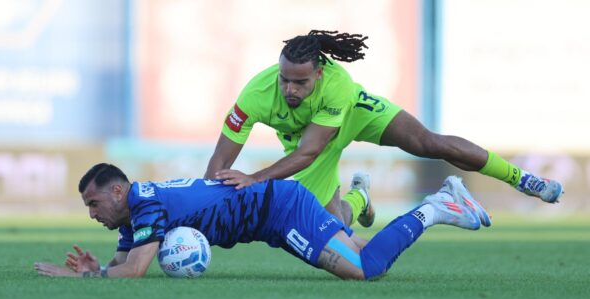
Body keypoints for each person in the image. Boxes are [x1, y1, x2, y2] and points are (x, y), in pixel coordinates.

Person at [204, 29, 564, 229]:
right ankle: (359, 198)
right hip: (307, 141)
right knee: (335, 228)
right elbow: (220, 160)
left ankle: (521, 178)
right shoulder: (255, 93)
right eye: (284, 80)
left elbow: (309, 152)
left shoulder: (338, 84)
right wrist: (199, 209)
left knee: (428, 142)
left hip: (350, 116)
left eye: (299, 82)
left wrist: (255, 178)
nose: (289, 90)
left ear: (319, 72)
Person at [35, 163, 490, 280]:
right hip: (274, 210)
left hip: (278, 210)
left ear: (117, 191)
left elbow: (134, 271)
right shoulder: (137, 212)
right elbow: (122, 260)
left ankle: (436, 206)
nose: (92, 214)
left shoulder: (147, 205)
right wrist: (97, 270)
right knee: (360, 247)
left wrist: (87, 279)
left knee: (364, 268)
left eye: (94, 204)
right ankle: (359, 196)